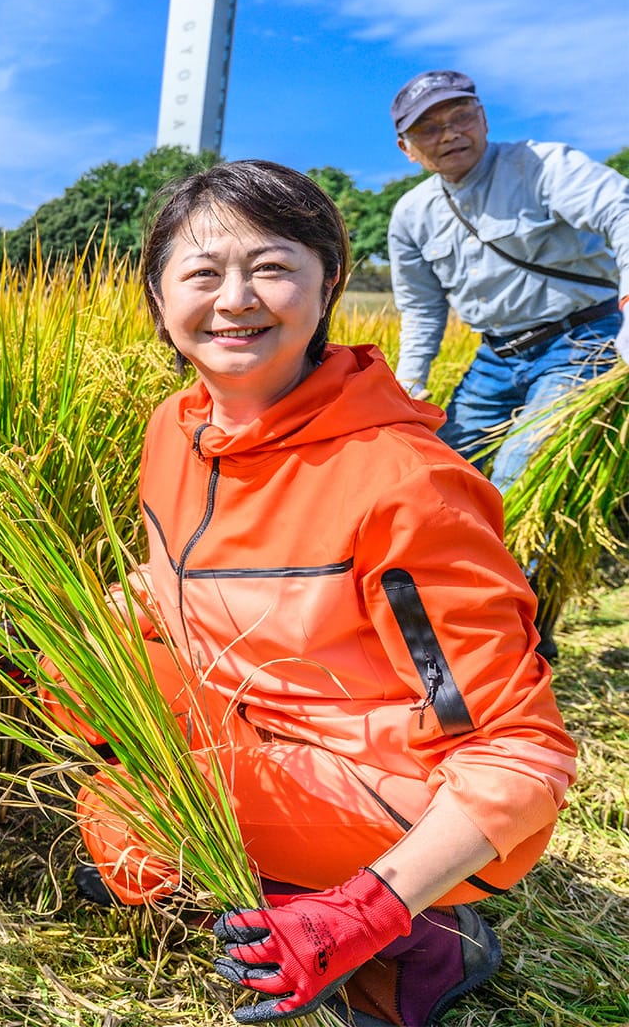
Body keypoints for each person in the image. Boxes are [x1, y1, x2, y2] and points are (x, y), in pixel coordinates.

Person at [66, 161, 572, 1027]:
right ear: (157, 295)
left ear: (327, 282)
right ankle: (272, 870)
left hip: (387, 771)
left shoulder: (402, 481)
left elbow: (520, 755)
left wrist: (366, 905)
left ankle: (417, 931)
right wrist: (89, 615)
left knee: (131, 819)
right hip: (257, 710)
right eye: (201, 272)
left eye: (271, 267)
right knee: (76, 680)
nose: (235, 299)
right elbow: (181, 575)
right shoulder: (175, 426)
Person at [386, 71, 629, 493]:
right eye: (428, 128)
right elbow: (422, 310)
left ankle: (521, 561)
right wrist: (410, 387)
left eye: (461, 117)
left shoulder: (541, 165)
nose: (449, 135)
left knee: (520, 472)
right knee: (441, 471)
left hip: (582, 339)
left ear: (483, 118)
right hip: (497, 357)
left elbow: (620, 213)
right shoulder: (411, 215)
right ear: (406, 148)